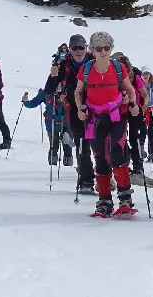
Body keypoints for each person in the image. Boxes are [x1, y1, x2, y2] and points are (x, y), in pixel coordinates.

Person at [74, 31, 141, 217]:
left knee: (117, 152)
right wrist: (80, 109)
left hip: (117, 115)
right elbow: (78, 92)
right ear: (92, 51)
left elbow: (129, 88)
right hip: (94, 117)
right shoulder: (86, 69)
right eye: (98, 48)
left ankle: (125, 198)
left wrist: (134, 104)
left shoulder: (118, 68)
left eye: (106, 47)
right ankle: (104, 200)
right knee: (100, 157)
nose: (103, 51)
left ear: (111, 49)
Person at [48, 35, 96, 194]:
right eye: (75, 48)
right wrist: (53, 76)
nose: (78, 51)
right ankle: (86, 181)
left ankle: (104, 177)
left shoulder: (94, 60)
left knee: (101, 145)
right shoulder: (64, 65)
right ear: (69, 49)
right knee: (82, 145)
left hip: (97, 107)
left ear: (86, 47)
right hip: (75, 109)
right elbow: (50, 89)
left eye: (81, 48)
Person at [22, 80, 72, 166]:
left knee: (67, 145)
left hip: (66, 123)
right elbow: (33, 103)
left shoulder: (68, 91)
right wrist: (26, 102)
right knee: (53, 146)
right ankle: (52, 166)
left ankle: (67, 167)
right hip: (51, 123)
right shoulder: (46, 92)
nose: (58, 88)